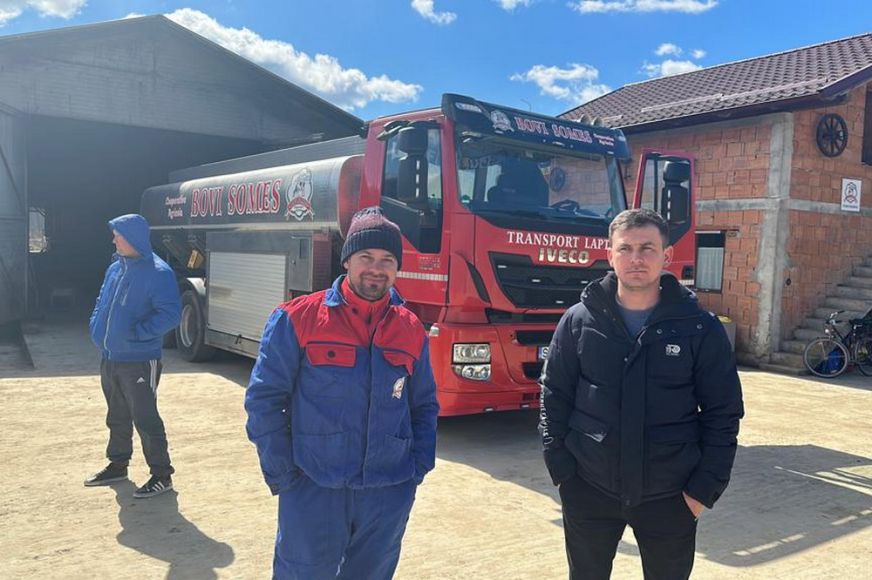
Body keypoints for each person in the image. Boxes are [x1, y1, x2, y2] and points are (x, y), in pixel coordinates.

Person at [539, 208, 744, 580]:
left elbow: (723, 413)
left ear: (667, 256)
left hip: (670, 496)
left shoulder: (699, 328)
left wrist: (702, 490)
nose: (636, 259)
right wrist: (561, 469)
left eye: (647, 248)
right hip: (589, 488)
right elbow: (554, 395)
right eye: (626, 248)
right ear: (610, 254)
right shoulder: (578, 321)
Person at [245, 206, 439, 580]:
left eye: (387, 260)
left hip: (388, 489)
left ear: (397, 268)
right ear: (347, 260)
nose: (376, 268)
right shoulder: (297, 319)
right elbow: (264, 401)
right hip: (315, 486)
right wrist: (285, 475)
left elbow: (424, 405)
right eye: (366, 257)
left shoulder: (411, 328)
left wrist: (416, 470)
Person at [85, 213, 182, 499]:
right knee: (116, 414)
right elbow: (102, 300)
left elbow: (170, 314)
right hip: (110, 356)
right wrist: (96, 326)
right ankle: (118, 464)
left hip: (139, 359)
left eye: (119, 235)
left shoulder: (158, 272)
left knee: (146, 417)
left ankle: (161, 474)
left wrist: (138, 334)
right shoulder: (116, 268)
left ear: (134, 239)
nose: (114, 239)